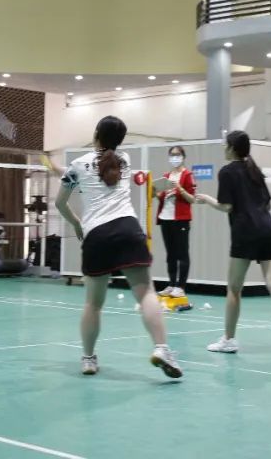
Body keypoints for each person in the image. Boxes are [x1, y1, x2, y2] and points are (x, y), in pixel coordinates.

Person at [55, 116, 182, 379]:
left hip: (96, 234)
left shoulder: (77, 165)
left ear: (96, 134)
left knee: (93, 303)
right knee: (146, 293)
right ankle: (161, 348)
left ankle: (88, 359)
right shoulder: (124, 160)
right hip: (128, 229)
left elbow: (60, 202)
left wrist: (77, 223)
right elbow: (101, 169)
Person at [196, 130, 271, 358]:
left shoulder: (227, 172)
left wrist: (206, 199)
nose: (223, 148)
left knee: (234, 289)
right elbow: (267, 203)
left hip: (244, 233)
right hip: (268, 230)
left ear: (232, 148)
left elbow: (226, 206)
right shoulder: (254, 170)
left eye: (225, 145)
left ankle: (229, 340)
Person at [155, 146, 197, 299]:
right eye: (172, 155)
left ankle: (181, 286)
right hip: (165, 219)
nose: (175, 157)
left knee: (182, 253)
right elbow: (160, 196)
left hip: (181, 220)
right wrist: (156, 193)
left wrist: (179, 189)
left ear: (183, 157)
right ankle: (172, 284)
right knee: (170, 254)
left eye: (177, 155)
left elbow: (192, 199)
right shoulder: (166, 176)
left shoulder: (188, 175)